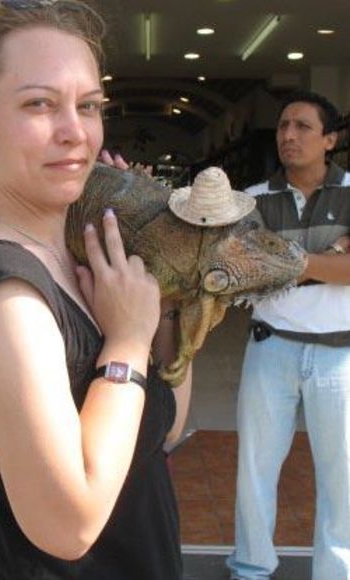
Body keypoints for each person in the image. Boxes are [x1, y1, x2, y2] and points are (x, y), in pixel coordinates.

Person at [0, 1, 192, 578]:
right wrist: (127, 342)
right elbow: (67, 526)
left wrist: (165, 301)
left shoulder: (78, 264)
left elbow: (163, 428)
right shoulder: (3, 294)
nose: (76, 132)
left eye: (89, 106)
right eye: (39, 104)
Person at [227, 90, 350, 580]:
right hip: (270, 345)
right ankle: (251, 567)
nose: (289, 135)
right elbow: (250, 270)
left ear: (330, 139)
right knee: (255, 468)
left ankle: (336, 572)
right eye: (283, 126)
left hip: (340, 354)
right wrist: (330, 257)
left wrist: (288, 261)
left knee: (342, 475)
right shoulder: (253, 199)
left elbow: (276, 265)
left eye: (302, 126)